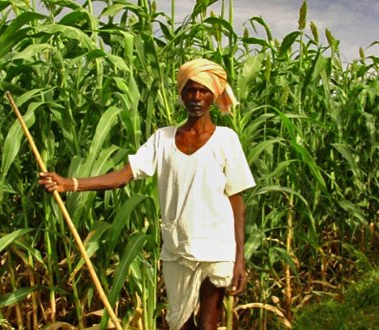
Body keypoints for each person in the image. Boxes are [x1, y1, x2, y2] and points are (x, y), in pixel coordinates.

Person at [38, 58, 256, 330]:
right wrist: (70, 183)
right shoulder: (162, 139)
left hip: (217, 248)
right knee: (180, 323)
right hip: (177, 249)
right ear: (181, 94)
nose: (196, 97)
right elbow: (123, 176)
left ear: (214, 94)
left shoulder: (226, 140)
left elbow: (237, 201)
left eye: (203, 91)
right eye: (190, 90)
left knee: (208, 323)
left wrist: (239, 258)